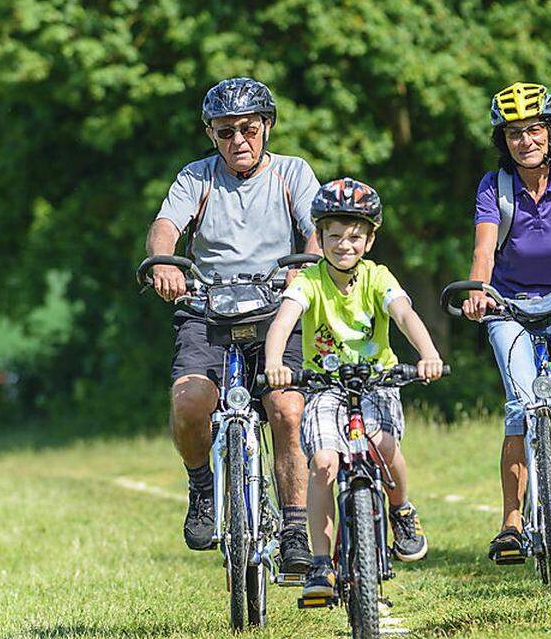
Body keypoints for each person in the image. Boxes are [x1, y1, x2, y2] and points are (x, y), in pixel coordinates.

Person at [144, 77, 320, 572]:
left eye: (247, 128)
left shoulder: (291, 173)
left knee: (287, 410)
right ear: (211, 135)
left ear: (266, 126)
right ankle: (202, 487)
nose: (238, 141)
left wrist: (304, 267)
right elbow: (166, 225)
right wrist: (165, 261)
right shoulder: (196, 178)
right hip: (206, 309)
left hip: (274, 309)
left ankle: (293, 526)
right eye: (225, 132)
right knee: (189, 402)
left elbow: (315, 230)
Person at [263, 178, 445, 598]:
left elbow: (404, 314)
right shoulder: (308, 281)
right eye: (335, 236)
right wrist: (275, 363)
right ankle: (321, 563)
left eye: (355, 237)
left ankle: (400, 509)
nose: (345, 245)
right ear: (320, 237)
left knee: (384, 445)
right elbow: (284, 321)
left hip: (376, 382)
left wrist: (427, 352)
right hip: (325, 387)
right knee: (324, 462)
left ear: (370, 239)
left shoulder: (377, 278)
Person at [462, 82, 551, 561]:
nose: (526, 141)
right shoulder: (493, 187)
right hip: (508, 306)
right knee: (521, 406)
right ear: (504, 141)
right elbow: (484, 250)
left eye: (535, 130)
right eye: (514, 133)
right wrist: (478, 291)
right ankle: (512, 522)